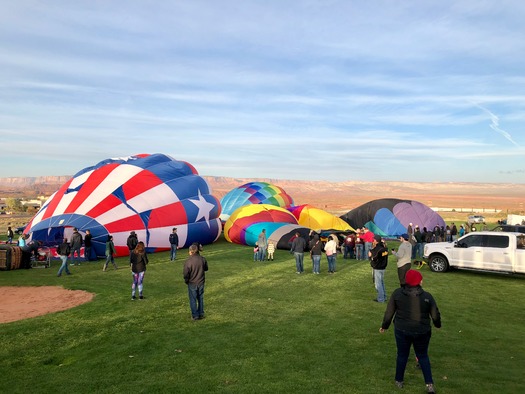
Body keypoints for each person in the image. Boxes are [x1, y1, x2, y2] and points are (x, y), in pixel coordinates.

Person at [379, 270, 441, 393]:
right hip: (421, 330)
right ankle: (429, 384)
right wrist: (437, 325)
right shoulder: (427, 297)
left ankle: (399, 380)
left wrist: (384, 326)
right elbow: (435, 315)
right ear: (419, 282)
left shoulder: (398, 294)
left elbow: (389, 313)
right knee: (423, 355)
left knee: (402, 355)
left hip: (402, 329)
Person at [183, 243, 208, 320]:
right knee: (200, 298)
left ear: (191, 252)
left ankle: (195, 315)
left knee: (193, 299)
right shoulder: (202, 259)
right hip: (200, 282)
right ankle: (201, 313)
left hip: (192, 283)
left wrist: (187, 281)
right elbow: (206, 268)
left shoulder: (188, 261)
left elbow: (186, 274)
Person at [369, 234, 389, 303]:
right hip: (383, 267)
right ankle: (384, 296)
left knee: (378, 284)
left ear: (376, 241)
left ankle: (381, 299)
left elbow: (374, 258)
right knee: (382, 282)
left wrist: (370, 255)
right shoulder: (385, 248)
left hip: (377, 267)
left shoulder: (377, 249)